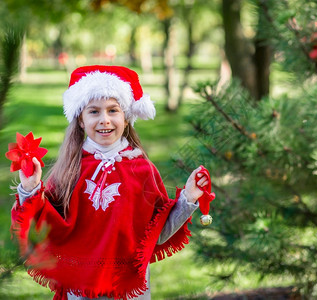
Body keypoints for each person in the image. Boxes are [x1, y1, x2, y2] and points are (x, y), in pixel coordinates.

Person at [11, 65, 209, 300]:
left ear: (126, 118)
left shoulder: (142, 170)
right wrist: (30, 188)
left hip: (127, 289)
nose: (104, 120)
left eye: (113, 110)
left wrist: (188, 198)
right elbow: (40, 225)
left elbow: (158, 234)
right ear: (81, 121)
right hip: (80, 287)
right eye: (94, 112)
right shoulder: (69, 170)